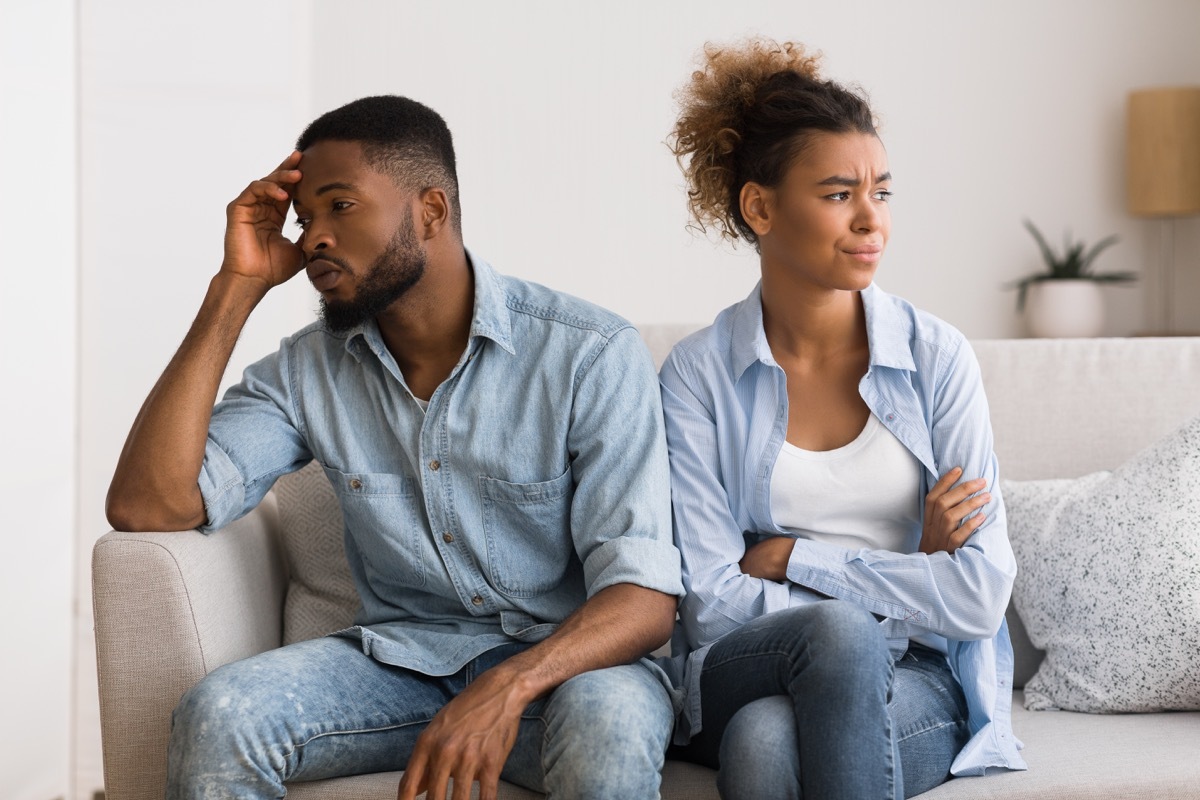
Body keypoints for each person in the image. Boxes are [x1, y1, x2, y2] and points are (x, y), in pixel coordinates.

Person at [105, 95, 684, 800]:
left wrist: (507, 685)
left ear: (430, 211)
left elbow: (643, 597)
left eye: (339, 207)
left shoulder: (589, 354)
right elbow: (146, 505)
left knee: (610, 726)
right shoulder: (305, 371)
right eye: (304, 218)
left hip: (567, 676)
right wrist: (236, 288)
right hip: (394, 668)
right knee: (221, 714)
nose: (314, 237)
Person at [659, 39, 1028, 800]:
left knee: (765, 746)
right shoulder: (697, 376)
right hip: (748, 663)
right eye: (837, 194)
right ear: (760, 206)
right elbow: (708, 603)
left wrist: (796, 557)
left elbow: (980, 594)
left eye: (881, 193)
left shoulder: (938, 359)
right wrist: (910, 572)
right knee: (836, 634)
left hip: (917, 677)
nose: (872, 221)